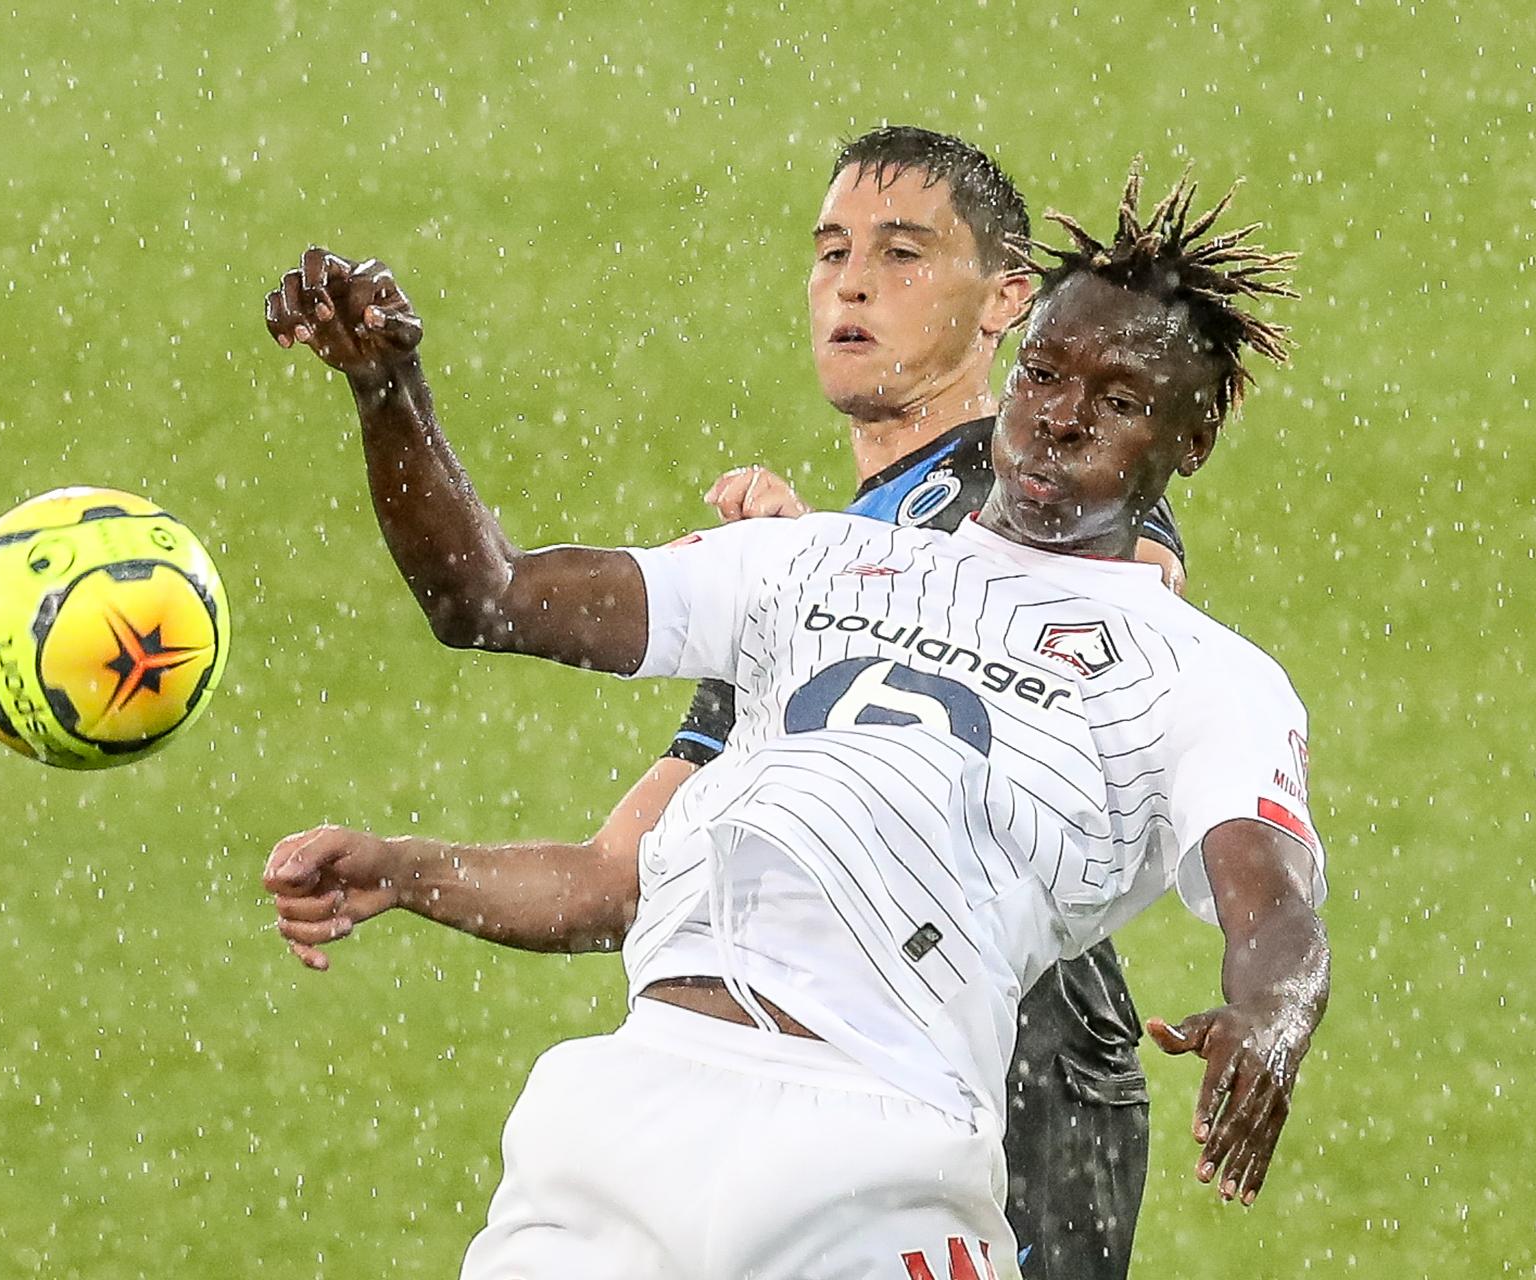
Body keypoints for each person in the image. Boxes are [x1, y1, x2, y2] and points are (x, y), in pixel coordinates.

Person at [262, 165, 1331, 1279]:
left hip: (881, 1151)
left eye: (1118, 402)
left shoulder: (1205, 675)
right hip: (624, 1118)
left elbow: (1278, 913)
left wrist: (1272, 1014)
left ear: (1192, 439)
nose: (1061, 418)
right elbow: (485, 595)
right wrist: (390, 389)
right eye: (1047, 376)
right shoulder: (814, 558)